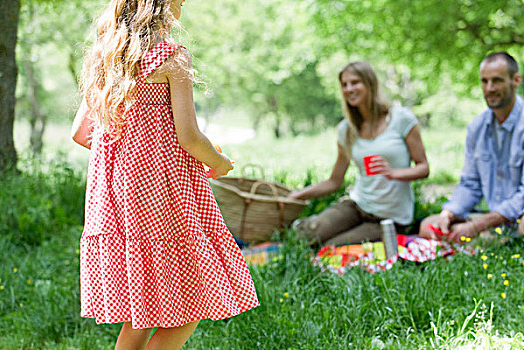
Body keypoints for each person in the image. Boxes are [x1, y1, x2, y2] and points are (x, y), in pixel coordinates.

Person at [71, 1, 259, 349]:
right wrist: (218, 162)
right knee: (190, 301)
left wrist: (130, 150)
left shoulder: (104, 54)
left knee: (141, 310)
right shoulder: (171, 56)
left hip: (114, 200)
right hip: (161, 195)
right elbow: (189, 137)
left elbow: (81, 134)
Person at [290, 61, 429, 246]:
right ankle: (308, 225)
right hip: (357, 204)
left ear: (370, 84)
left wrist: (394, 173)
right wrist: (297, 195)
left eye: (355, 82)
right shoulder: (346, 130)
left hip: (389, 218)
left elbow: (424, 168)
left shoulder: (401, 119)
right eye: (344, 85)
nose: (349, 89)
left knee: (332, 248)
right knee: (307, 237)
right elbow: (334, 181)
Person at [419, 52, 523, 243]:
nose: (489, 88)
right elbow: (470, 184)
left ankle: (489, 239)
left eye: (497, 81)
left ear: (516, 80)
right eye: (484, 81)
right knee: (428, 225)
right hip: (490, 217)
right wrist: (447, 214)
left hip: (517, 215)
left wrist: (478, 225)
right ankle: (491, 239)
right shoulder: (477, 127)